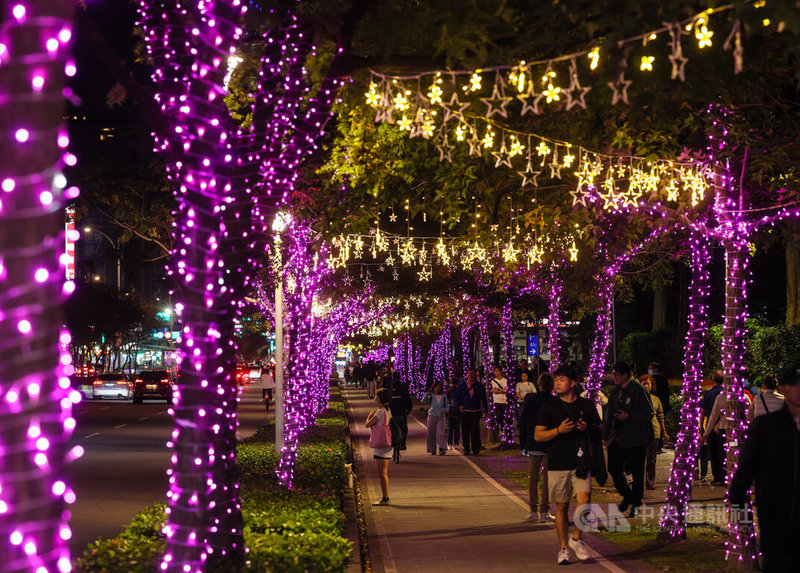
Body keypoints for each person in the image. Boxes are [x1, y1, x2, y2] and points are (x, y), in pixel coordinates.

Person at [729, 367, 800, 573]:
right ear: (783, 389)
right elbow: (748, 464)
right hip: (774, 509)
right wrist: (737, 499)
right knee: (775, 563)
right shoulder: (767, 425)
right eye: (793, 385)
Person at [535, 365, 600, 565]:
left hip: (581, 462)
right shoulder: (549, 406)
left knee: (585, 501)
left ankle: (577, 538)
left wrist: (587, 427)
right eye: (556, 380)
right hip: (557, 463)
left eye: (561, 380)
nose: (557, 383)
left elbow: (600, 431)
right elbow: (538, 435)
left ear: (572, 383)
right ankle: (563, 549)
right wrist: (558, 430)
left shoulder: (587, 406)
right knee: (561, 507)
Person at [603, 360, 653, 516]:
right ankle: (628, 495)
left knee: (637, 473)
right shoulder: (616, 391)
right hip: (617, 438)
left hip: (635, 439)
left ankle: (635, 504)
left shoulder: (638, 389)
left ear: (625, 375)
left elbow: (648, 413)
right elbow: (609, 414)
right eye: (613, 374)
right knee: (613, 468)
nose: (614, 377)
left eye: (617, 374)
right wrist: (606, 435)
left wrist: (629, 415)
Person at [519, 372, 556, 522]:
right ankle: (544, 512)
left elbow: (524, 422)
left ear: (539, 385)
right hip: (549, 444)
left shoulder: (531, 400)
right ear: (552, 386)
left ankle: (533, 511)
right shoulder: (555, 402)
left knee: (533, 478)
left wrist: (523, 444)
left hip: (533, 442)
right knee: (547, 479)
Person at [639, 374, 669, 490]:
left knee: (651, 459)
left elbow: (661, 416)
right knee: (640, 458)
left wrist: (664, 432)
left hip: (654, 431)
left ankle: (650, 482)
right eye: (644, 383)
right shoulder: (637, 397)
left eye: (648, 383)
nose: (646, 385)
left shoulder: (656, 400)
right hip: (640, 431)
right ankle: (638, 481)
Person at [366, 387, 393, 505]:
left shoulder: (380, 411)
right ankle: (385, 497)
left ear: (380, 398)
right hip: (387, 444)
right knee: (384, 472)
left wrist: (370, 415)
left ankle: (385, 498)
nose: (375, 397)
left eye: (376, 395)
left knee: (381, 473)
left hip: (380, 445)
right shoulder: (387, 410)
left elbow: (368, 424)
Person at [454, 368, 488, 455]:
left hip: (475, 411)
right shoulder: (462, 386)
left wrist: (486, 410)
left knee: (475, 431)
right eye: (469, 374)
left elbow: (484, 398)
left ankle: (476, 448)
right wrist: (459, 406)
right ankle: (466, 448)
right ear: (467, 375)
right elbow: (456, 398)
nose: (471, 376)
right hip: (465, 411)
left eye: (473, 374)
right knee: (465, 430)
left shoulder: (479, 386)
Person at [699, 370, 725, 484]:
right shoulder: (727, 394)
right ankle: (726, 476)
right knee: (724, 453)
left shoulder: (709, 394)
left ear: (713, 379)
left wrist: (702, 428)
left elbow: (703, 412)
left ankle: (717, 477)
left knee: (714, 454)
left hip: (712, 426)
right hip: (725, 427)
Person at [422, 381, 450, 455]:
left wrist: (445, 410)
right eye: (436, 387)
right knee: (431, 433)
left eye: (439, 387)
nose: (438, 388)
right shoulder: (431, 396)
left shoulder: (443, 396)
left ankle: (442, 448)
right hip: (432, 415)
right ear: (433, 387)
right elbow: (423, 400)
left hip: (441, 416)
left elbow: (447, 405)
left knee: (441, 433)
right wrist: (427, 393)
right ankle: (432, 449)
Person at [389, 372, 413, 450]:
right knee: (404, 429)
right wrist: (408, 411)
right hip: (402, 413)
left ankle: (392, 442)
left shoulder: (390, 390)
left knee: (392, 428)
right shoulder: (403, 389)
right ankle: (403, 443)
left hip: (392, 414)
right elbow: (408, 401)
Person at [489, 365, 509, 443]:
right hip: (496, 401)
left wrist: (498, 390)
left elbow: (506, 390)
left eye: (496, 371)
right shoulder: (494, 381)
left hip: (504, 401)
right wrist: (502, 390)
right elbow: (494, 391)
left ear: (500, 371)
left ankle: (503, 433)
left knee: (504, 418)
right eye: (494, 371)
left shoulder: (505, 380)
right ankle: (498, 433)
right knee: (497, 418)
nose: (495, 373)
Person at [445, 376, 461, 450]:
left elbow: (445, 402)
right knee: (456, 429)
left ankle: (449, 444)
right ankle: (456, 443)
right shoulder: (459, 390)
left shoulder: (448, 391)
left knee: (450, 429)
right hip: (457, 413)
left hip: (449, 413)